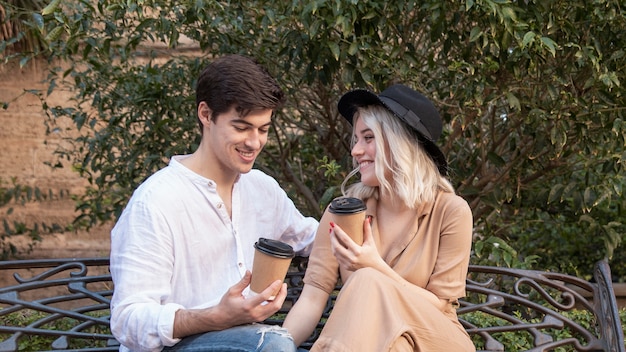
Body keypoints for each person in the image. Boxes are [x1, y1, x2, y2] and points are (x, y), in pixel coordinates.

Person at [109, 54, 318, 352]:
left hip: (248, 344)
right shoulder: (155, 201)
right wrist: (215, 317)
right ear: (206, 115)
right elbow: (128, 320)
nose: (254, 142)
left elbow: (314, 238)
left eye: (263, 129)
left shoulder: (262, 189)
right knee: (272, 345)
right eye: (242, 127)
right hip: (177, 348)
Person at [283, 84, 475, 351]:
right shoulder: (344, 213)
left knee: (367, 279)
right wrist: (275, 346)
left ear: (400, 143)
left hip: (437, 337)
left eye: (368, 138)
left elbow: (439, 304)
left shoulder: (451, 211)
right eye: (356, 140)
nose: (355, 151)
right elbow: (313, 298)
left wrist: (374, 266)